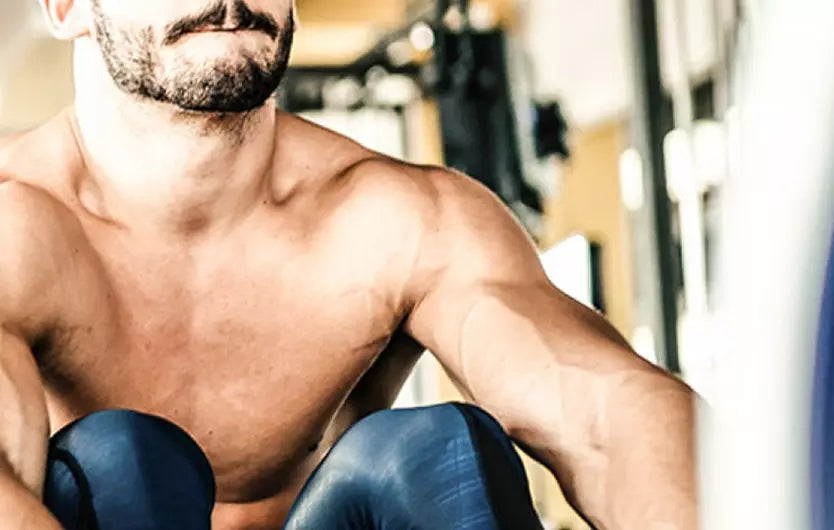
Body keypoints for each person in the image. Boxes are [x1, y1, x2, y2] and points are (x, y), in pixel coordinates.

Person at [0, 0, 697, 528]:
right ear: (63, 5)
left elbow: (605, 415)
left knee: (433, 454)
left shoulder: (399, 219)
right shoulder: (17, 227)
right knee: (122, 460)